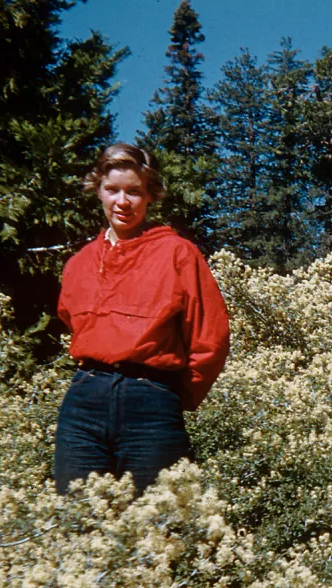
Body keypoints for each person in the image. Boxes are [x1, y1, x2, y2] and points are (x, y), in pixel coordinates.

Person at [53, 143, 230, 494]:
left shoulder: (177, 253)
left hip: (151, 405)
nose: (123, 201)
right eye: (113, 190)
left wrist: (169, 396)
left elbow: (211, 338)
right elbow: (71, 321)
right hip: (83, 405)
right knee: (76, 524)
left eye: (134, 191)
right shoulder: (79, 264)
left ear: (150, 196)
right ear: (98, 191)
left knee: (160, 529)